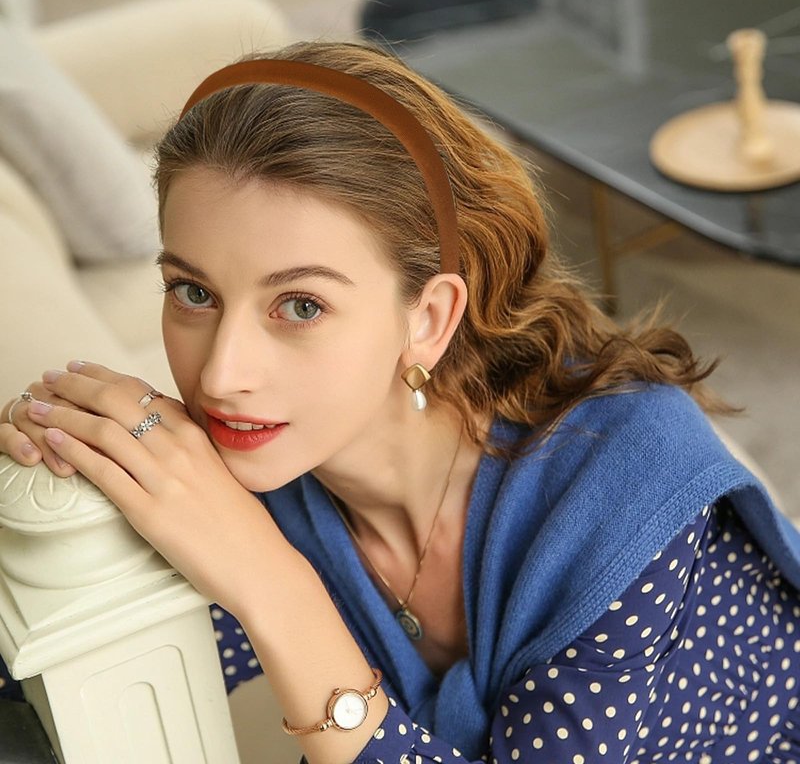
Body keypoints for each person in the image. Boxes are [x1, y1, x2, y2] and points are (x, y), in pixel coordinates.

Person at [1, 40, 800, 764]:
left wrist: (272, 585)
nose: (220, 375)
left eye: (300, 305)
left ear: (429, 318)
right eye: (193, 292)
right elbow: (72, 664)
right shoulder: (267, 465)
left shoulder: (622, 494)